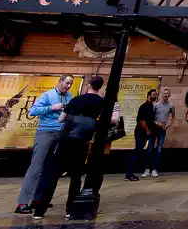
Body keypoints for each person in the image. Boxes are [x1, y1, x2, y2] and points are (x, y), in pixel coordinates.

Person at [33, 76, 117, 219]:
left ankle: (40, 211)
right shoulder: (102, 103)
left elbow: (61, 118)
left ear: (89, 84)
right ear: (100, 87)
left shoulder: (77, 100)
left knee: (53, 175)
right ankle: (70, 209)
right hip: (83, 143)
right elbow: (111, 120)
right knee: (76, 177)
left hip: (66, 141)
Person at [15, 74, 74, 215]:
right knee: (36, 167)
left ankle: (38, 199)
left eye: (71, 84)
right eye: (66, 83)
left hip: (60, 134)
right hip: (46, 132)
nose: (68, 86)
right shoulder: (47, 95)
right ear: (60, 81)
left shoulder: (69, 96)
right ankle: (22, 203)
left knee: (48, 169)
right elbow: (33, 111)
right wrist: (51, 108)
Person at [126, 89, 158, 182]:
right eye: (153, 94)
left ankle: (130, 173)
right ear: (148, 95)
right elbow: (141, 120)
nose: (155, 96)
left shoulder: (151, 106)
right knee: (137, 152)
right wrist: (147, 130)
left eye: (156, 95)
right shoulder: (144, 107)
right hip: (140, 132)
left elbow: (150, 120)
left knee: (138, 152)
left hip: (145, 133)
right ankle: (129, 174)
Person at [145, 88, 175, 178]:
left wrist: (168, 126)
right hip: (154, 128)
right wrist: (155, 124)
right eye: (164, 93)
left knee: (159, 149)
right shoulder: (156, 105)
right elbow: (151, 117)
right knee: (150, 148)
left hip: (162, 129)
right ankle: (147, 169)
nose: (165, 95)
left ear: (169, 95)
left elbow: (173, 117)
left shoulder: (171, 106)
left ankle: (154, 169)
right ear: (162, 95)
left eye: (167, 94)